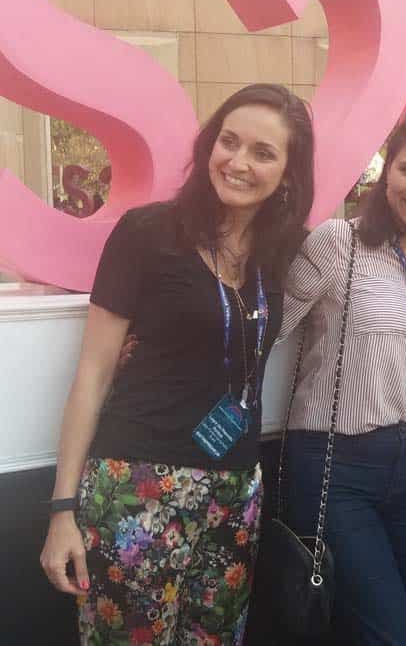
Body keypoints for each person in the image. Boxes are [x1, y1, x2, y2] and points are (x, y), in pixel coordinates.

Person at [39, 83, 314, 645]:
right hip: (136, 487)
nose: (238, 162)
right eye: (228, 142)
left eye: (263, 152)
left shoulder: (285, 252)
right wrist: (62, 509)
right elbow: (93, 373)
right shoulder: (147, 233)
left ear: (288, 174)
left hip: (236, 491)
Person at [280, 107, 406, 646]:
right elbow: (266, 329)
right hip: (338, 466)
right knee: (391, 634)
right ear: (386, 170)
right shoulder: (337, 244)